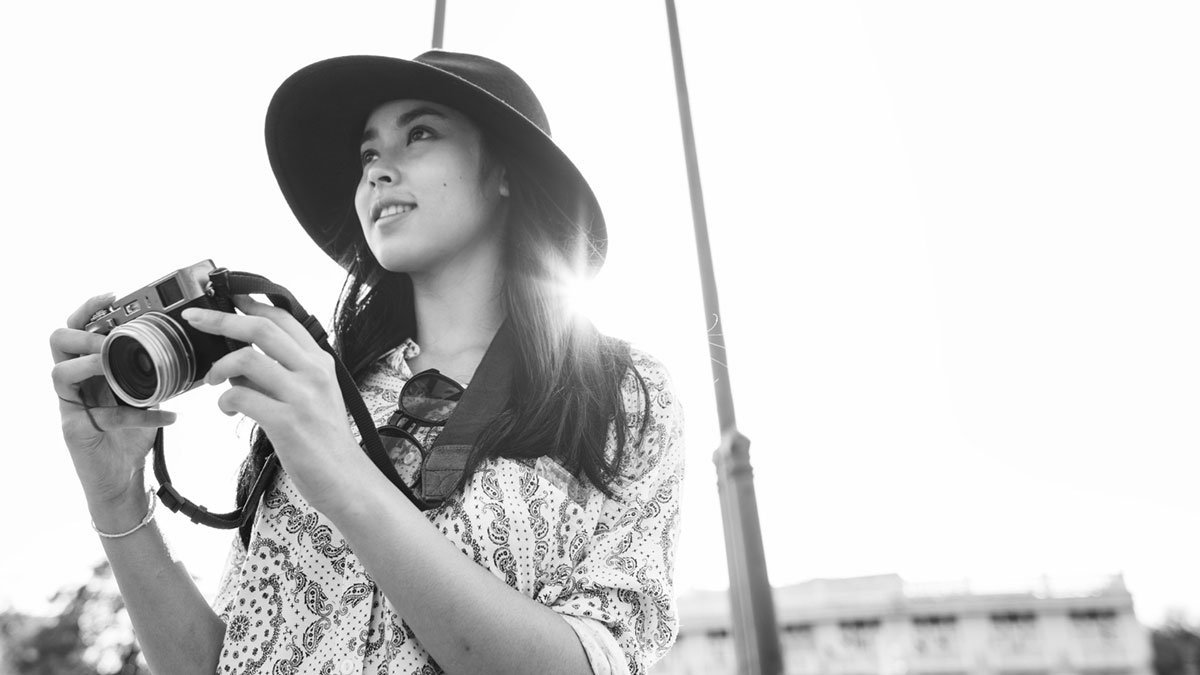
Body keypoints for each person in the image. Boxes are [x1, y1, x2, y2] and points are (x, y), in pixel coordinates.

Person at [48, 51, 684, 675]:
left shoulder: (619, 392)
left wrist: (346, 477)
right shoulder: (321, 386)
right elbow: (229, 661)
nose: (379, 170)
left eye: (420, 133)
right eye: (367, 155)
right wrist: (117, 496)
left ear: (504, 172)